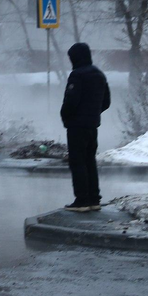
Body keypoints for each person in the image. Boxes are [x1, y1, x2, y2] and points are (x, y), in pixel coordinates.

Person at [59, 42, 110, 212]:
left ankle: (81, 200)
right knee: (89, 161)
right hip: (92, 125)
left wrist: (65, 115)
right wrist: (93, 112)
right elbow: (106, 101)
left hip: (77, 126)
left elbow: (71, 102)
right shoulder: (99, 75)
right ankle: (94, 199)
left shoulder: (77, 75)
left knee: (78, 161)